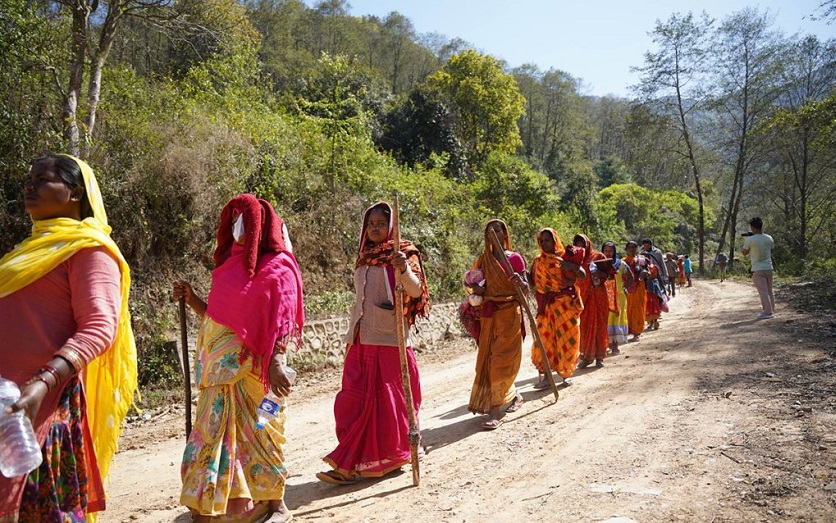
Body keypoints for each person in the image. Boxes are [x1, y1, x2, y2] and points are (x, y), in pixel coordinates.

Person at [0, 154, 137, 522]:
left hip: (43, 403)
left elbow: (99, 327)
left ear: (75, 191)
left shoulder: (90, 251)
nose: (30, 186)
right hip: (8, 401)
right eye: (29, 179)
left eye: (42, 179)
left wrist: (42, 383)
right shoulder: (29, 251)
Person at [175, 194, 304, 522]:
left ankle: (276, 504)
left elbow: (284, 318)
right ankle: (213, 509)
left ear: (260, 225)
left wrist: (277, 361)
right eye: (232, 220)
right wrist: (192, 300)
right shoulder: (227, 269)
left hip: (261, 375)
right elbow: (218, 318)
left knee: (265, 430)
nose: (236, 227)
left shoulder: (279, 266)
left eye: (242, 220)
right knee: (213, 435)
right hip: (217, 377)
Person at [318, 202, 429, 481]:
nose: (375, 228)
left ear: (391, 227)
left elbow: (416, 292)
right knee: (353, 403)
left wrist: (403, 268)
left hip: (390, 340)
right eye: (371, 224)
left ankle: (378, 459)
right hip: (360, 338)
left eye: (381, 223)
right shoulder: (364, 256)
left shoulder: (404, 253)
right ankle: (354, 460)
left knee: (387, 405)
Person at [468, 220, 528, 430]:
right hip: (488, 315)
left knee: (501, 360)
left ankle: (495, 411)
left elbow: (526, 289)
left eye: (498, 229)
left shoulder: (515, 259)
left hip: (509, 314)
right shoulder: (483, 261)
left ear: (505, 234)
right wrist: (477, 289)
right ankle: (511, 396)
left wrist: (520, 283)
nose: (494, 232)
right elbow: (471, 286)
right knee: (488, 358)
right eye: (489, 230)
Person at [530, 229, 586, 385]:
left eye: (547, 240)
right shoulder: (538, 261)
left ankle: (565, 374)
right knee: (545, 340)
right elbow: (532, 281)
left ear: (555, 240)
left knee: (567, 339)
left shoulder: (565, 257)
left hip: (565, 305)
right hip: (546, 306)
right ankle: (547, 377)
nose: (544, 243)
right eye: (541, 241)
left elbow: (582, 275)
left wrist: (571, 266)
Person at [575, 234, 610, 369]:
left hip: (598, 297)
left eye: (582, 244)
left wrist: (598, 275)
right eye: (577, 245)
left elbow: (607, 274)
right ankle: (586, 356)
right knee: (584, 327)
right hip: (582, 298)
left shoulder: (598, 257)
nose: (580, 247)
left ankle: (599, 357)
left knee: (599, 325)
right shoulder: (576, 260)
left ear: (587, 244)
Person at [602, 241, 632, 356]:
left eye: (610, 251)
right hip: (605, 297)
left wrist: (624, 287)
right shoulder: (599, 264)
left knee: (617, 319)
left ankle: (615, 345)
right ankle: (607, 343)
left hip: (619, 297)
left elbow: (630, 277)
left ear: (614, 251)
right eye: (606, 251)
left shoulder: (621, 264)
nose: (608, 253)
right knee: (607, 320)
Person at [741, 217, 775, 319]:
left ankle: (767, 312)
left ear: (752, 227)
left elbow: (744, 253)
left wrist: (749, 241)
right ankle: (771, 309)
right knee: (769, 290)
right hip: (769, 267)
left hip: (757, 268)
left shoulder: (750, 239)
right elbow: (771, 248)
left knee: (763, 291)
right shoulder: (769, 238)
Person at [623, 241, 649, 342]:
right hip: (626, 288)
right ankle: (626, 331)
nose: (632, 249)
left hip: (639, 287)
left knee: (638, 309)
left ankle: (637, 332)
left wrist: (645, 272)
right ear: (626, 249)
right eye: (629, 247)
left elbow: (649, 270)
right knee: (627, 310)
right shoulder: (622, 261)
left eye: (634, 247)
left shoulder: (641, 259)